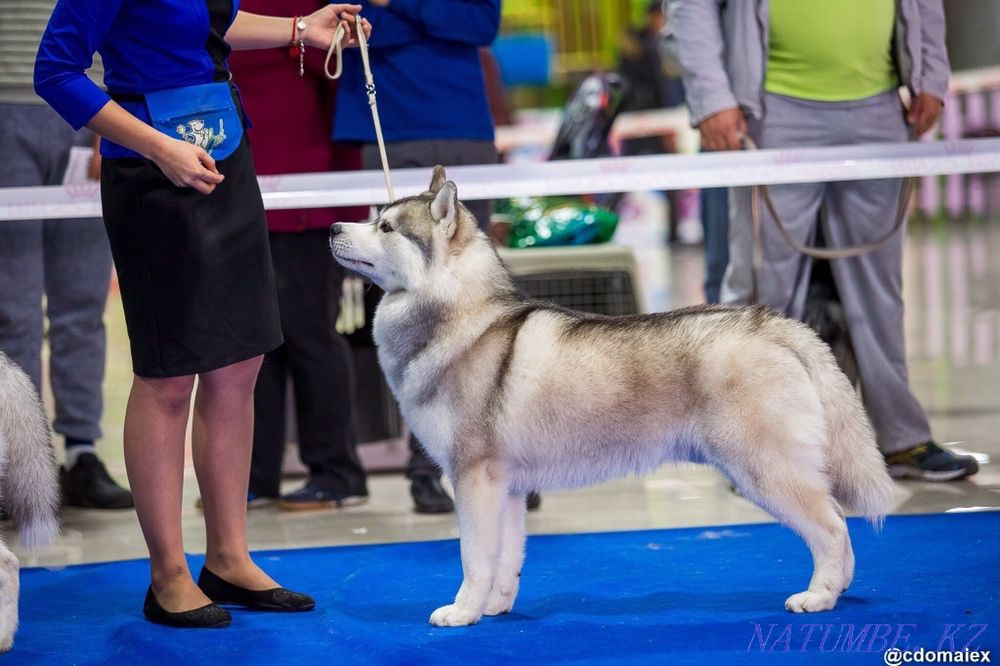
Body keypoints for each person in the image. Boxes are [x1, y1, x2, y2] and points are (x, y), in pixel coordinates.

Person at [35, 0, 370, 627]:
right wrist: (158, 147)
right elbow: (55, 71)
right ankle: (168, 575)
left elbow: (216, 18)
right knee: (167, 378)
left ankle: (229, 558)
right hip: (153, 170)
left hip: (222, 147)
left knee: (240, 364)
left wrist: (302, 28)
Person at [668, 0, 979, 480]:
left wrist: (931, 76)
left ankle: (901, 440)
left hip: (879, 106)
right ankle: (754, 448)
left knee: (880, 293)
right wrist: (712, 97)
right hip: (769, 107)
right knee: (762, 295)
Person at [333, 0, 504, 514]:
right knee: (407, 300)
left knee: (475, 293)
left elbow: (479, 23)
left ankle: (504, 451)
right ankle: (428, 462)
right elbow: (358, 34)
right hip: (385, 127)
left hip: (460, 126)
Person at [228, 0, 370, 511]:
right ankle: (256, 475)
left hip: (308, 191)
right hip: (243, 188)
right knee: (253, 344)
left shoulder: (324, 10)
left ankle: (336, 473)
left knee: (309, 333)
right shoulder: (233, 9)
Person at [0, 1, 132, 510]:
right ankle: (21, 462)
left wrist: (113, 120)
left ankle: (82, 451)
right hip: (8, 107)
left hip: (88, 106)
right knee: (14, 309)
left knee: (82, 300)